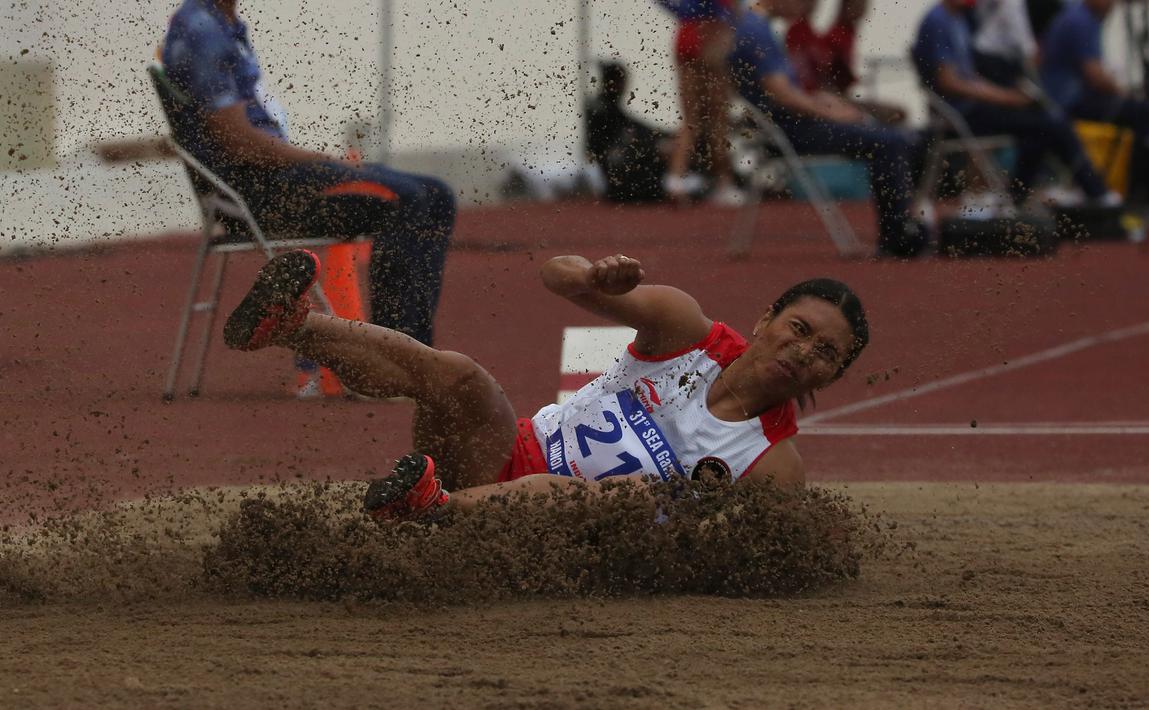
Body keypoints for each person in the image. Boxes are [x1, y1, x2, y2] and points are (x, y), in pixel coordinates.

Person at [222, 249, 869, 518]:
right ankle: (294, 325)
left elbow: (741, 561)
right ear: (766, 319)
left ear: (833, 375)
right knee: (461, 377)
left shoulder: (773, 464)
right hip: (494, 457)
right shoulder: (683, 330)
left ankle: (432, 512)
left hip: (553, 539)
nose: (803, 350)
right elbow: (555, 277)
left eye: (825, 353)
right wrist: (593, 275)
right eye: (799, 327)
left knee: (620, 495)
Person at [160, 0, 454, 348]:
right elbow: (238, 141)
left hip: (275, 179)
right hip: (261, 194)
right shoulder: (201, 29)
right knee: (412, 199)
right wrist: (321, 161)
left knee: (435, 194)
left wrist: (322, 164)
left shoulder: (221, 22)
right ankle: (398, 355)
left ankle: (408, 350)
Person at [731, 0, 926, 258]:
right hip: (792, 131)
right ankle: (897, 236)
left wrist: (826, 103)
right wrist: (835, 113)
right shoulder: (756, 30)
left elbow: (789, 91)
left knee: (892, 137)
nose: (807, 7)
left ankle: (903, 228)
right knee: (890, 142)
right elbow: (783, 95)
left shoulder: (754, 25)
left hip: (791, 125)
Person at [912, 0, 1118, 207]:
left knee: (1043, 124)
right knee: (1050, 124)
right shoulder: (938, 20)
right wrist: (1005, 98)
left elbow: (969, 77)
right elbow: (949, 82)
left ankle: (1019, 195)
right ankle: (1095, 190)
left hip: (971, 107)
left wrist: (1009, 95)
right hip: (961, 113)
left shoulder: (956, 19)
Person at [1040, 0, 1149, 200]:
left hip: (1072, 96)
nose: (1112, 5)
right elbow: (1094, 76)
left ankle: (1133, 188)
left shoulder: (1085, 18)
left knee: (1143, 111)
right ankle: (1136, 191)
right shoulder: (1080, 21)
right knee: (1143, 113)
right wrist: (1124, 92)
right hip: (1067, 101)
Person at [655, 0, 746, 205]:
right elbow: (732, 9)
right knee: (717, 117)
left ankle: (675, 178)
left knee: (692, 119)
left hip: (689, 35)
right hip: (709, 35)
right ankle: (724, 182)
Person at [784, 0, 907, 124]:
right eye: (857, 4)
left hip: (831, 96)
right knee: (895, 114)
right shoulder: (831, 35)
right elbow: (811, 76)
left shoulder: (840, 33)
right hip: (820, 97)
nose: (862, 8)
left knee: (896, 113)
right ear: (845, 6)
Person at [585, 61, 674, 203]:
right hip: (616, 178)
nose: (625, 87)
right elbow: (630, 131)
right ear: (614, 83)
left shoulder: (604, 106)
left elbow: (634, 126)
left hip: (614, 172)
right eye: (622, 81)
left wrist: (666, 135)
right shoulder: (603, 111)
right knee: (655, 154)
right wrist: (659, 140)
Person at [971, 0, 1038, 87]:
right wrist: (1031, 52)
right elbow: (1018, 32)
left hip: (981, 49)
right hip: (996, 57)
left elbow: (979, 14)